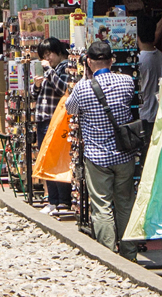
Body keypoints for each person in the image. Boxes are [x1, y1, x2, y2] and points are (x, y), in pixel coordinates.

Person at [65, 39, 138, 261]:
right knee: (125, 202)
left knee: (102, 206)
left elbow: (70, 109)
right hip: (124, 154)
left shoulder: (82, 88)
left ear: (88, 62)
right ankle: (129, 254)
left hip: (97, 156)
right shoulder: (126, 82)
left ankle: (108, 256)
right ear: (111, 60)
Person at [32, 37, 76, 215]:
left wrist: (48, 71)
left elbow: (63, 89)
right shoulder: (52, 70)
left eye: (49, 53)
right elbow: (41, 95)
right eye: (43, 55)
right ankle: (53, 199)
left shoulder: (64, 68)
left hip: (55, 121)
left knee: (57, 159)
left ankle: (61, 200)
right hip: (44, 120)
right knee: (48, 159)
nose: (46, 58)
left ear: (58, 52)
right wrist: (36, 86)